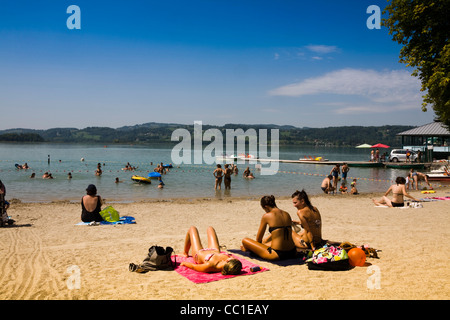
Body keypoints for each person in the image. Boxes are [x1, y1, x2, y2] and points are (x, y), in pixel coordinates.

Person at [241, 195, 297, 261]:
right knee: (269, 242)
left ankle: (247, 249)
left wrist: (254, 248)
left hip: (277, 254)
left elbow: (258, 239)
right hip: (293, 252)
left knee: (245, 240)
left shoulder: (267, 216)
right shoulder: (286, 214)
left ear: (266, 207)